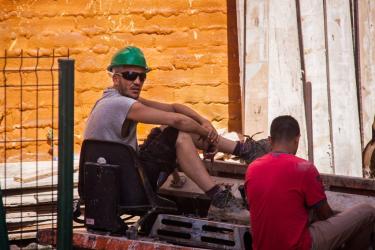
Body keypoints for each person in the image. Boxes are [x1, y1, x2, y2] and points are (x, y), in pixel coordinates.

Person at [84, 46, 270, 217]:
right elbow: (177, 120)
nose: (137, 82)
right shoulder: (120, 104)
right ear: (116, 78)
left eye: (142, 77)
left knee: (172, 130)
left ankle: (244, 151)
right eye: (130, 75)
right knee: (180, 132)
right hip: (126, 184)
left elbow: (173, 108)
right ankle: (222, 191)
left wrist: (203, 121)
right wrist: (208, 135)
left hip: (120, 179)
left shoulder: (112, 99)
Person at [245, 115, 375, 250]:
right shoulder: (303, 168)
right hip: (300, 246)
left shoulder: (252, 169)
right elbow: (325, 215)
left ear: (270, 140)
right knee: (367, 211)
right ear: (297, 140)